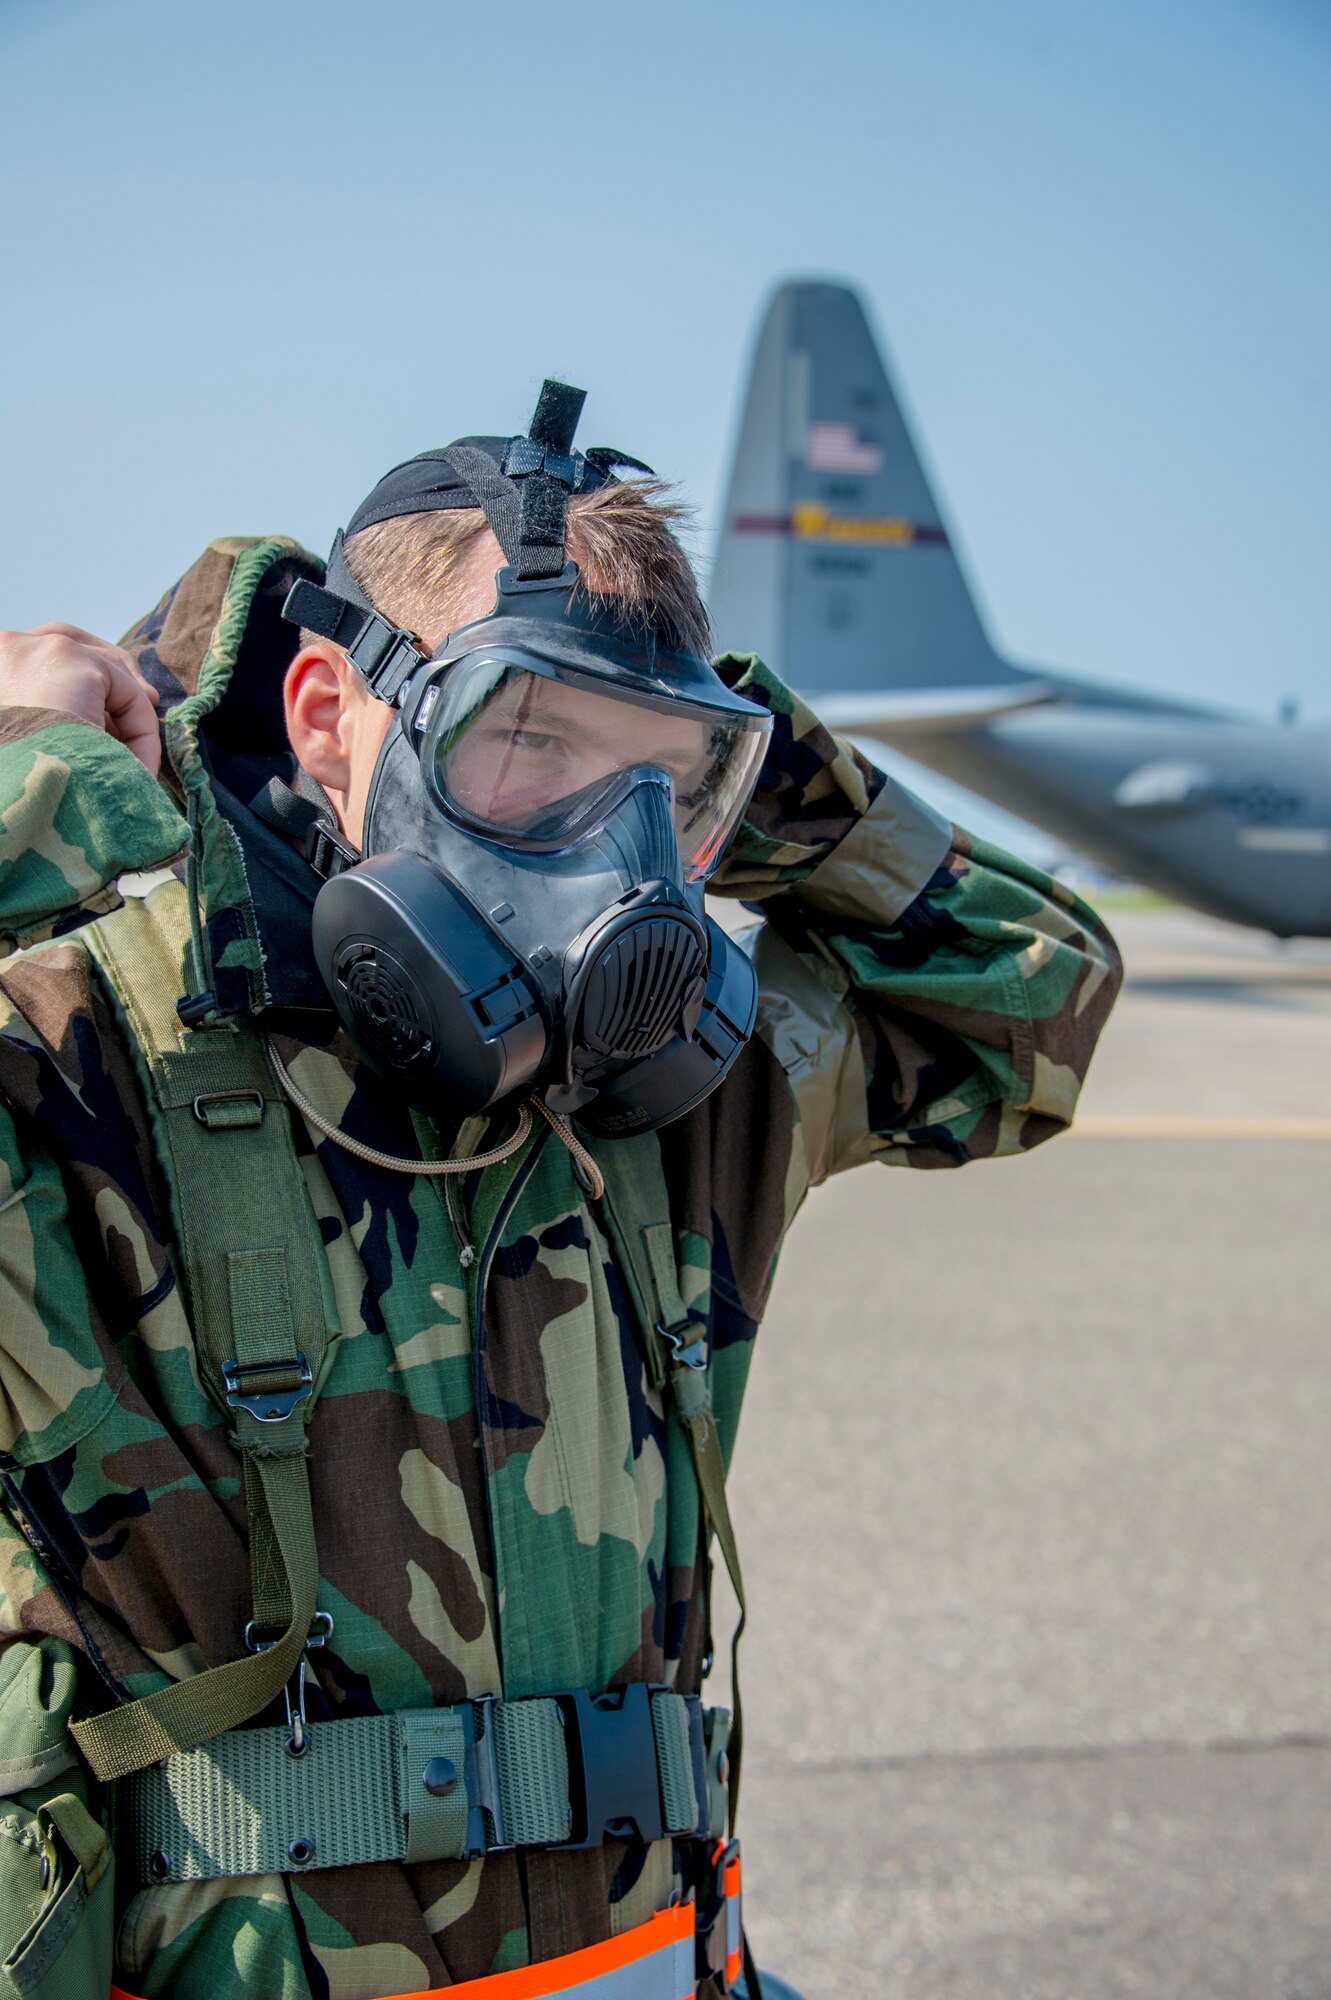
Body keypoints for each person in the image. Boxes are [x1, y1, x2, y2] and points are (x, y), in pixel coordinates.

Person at [0, 383, 1121, 2000]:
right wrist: (45, 781)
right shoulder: (81, 1046)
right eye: (529, 740)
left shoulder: (674, 1093)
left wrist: (772, 759)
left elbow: (1036, 1005)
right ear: (328, 715)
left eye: (668, 786)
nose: (612, 851)